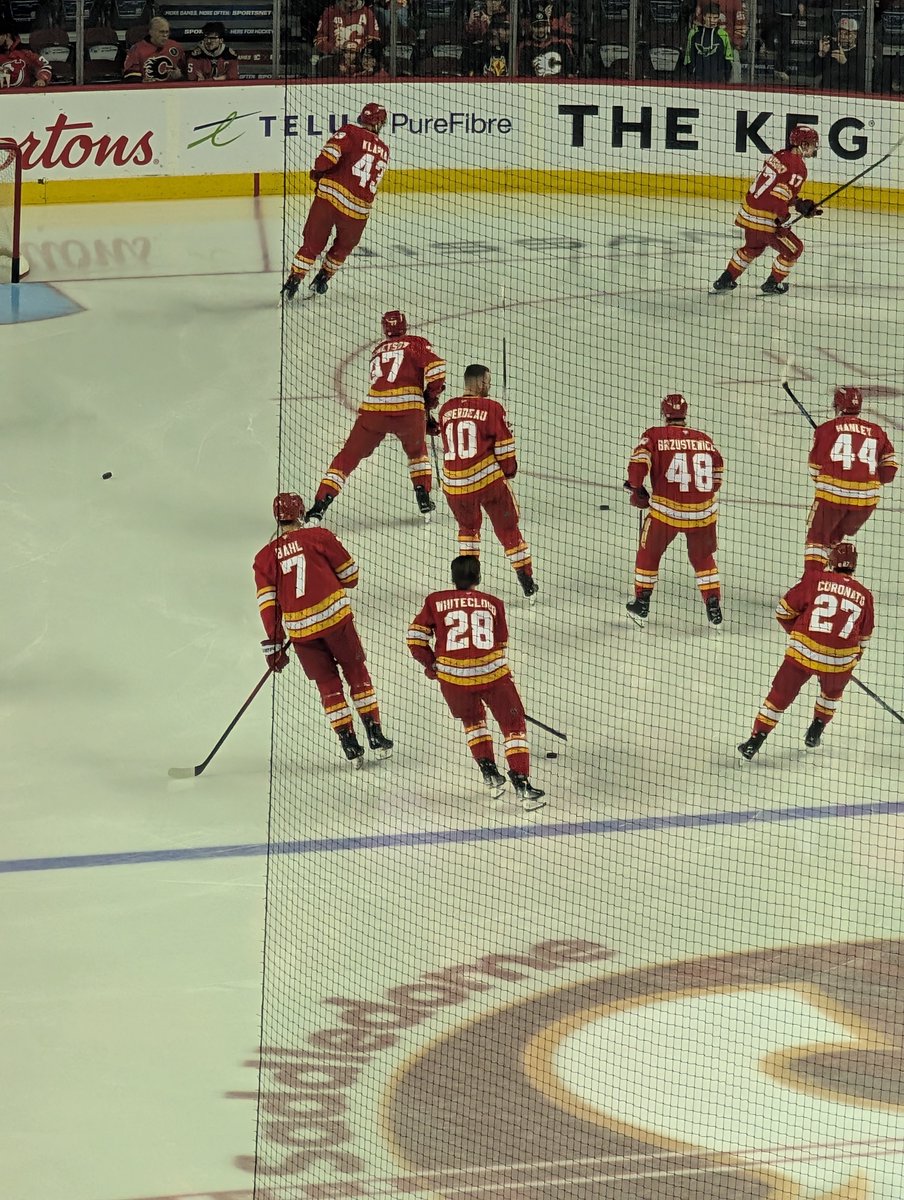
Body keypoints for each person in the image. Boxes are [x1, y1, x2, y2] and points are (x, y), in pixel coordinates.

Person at [253, 492, 393, 766]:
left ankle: (349, 744)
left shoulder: (264, 558)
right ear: (302, 513)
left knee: (327, 684)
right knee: (356, 671)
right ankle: (374, 734)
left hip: (301, 633)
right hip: (336, 621)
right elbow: (351, 577)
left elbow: (269, 606)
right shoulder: (319, 537)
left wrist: (275, 643)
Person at [406, 556, 546, 811]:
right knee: (513, 726)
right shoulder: (494, 603)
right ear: (478, 577)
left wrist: (433, 665)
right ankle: (522, 784)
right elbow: (501, 643)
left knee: (473, 722)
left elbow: (415, 638)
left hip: (453, 681)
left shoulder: (435, 601)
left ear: (452, 577)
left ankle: (490, 775)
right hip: (493, 676)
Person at [304, 310, 446, 525]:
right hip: (408, 410)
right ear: (405, 326)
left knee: (347, 457)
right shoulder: (416, 342)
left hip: (374, 410)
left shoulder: (377, 350)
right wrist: (429, 399)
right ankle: (423, 497)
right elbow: (437, 369)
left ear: (384, 328)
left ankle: (319, 505)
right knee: (417, 453)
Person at [738, 543, 873, 760]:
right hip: (840, 661)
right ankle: (815, 730)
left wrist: (800, 632)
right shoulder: (865, 595)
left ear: (832, 561)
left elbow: (783, 611)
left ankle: (755, 740)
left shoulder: (815, 579)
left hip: (803, 652)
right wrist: (849, 663)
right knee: (831, 694)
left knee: (779, 695)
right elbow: (864, 638)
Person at [437, 364, 538, 601]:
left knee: (468, 530)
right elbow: (505, 448)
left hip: (453, 486)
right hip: (487, 482)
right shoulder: (492, 408)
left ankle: (467, 583)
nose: (489, 386)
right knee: (508, 529)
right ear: (482, 383)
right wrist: (510, 471)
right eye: (488, 382)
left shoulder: (446, 409)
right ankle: (526, 579)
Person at [624, 393, 724, 627]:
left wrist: (637, 489)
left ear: (663, 413)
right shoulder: (705, 439)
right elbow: (717, 475)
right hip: (703, 513)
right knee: (702, 557)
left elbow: (637, 466)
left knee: (648, 552)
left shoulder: (654, 436)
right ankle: (713, 605)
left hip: (666, 513)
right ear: (685, 414)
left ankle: (642, 603)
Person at [281, 102, 389, 301]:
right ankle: (323, 278)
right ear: (379, 124)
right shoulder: (384, 149)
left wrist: (318, 172)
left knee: (312, 244)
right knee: (344, 246)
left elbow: (326, 159)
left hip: (329, 199)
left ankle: (293, 280)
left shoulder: (350, 131)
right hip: (358, 211)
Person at [711, 124, 822, 297]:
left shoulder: (780, 156)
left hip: (749, 212)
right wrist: (784, 220)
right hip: (766, 217)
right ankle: (772, 283)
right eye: (812, 144)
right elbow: (778, 196)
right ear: (803, 144)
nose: (814, 148)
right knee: (794, 249)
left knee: (753, 247)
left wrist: (799, 204)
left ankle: (725, 279)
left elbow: (775, 188)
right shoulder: (799, 168)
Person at [803, 386, 897, 572]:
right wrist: (864, 473)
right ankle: (832, 580)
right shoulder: (877, 431)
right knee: (835, 535)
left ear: (837, 406)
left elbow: (815, 469)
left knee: (817, 539)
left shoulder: (826, 430)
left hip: (832, 497)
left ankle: (812, 583)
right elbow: (889, 473)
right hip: (865, 502)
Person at [123, 16, 185, 82]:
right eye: (161, 32)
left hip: (172, 89)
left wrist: (180, 76)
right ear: (151, 32)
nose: (165, 35)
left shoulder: (176, 47)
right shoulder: (137, 49)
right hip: (146, 90)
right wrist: (142, 81)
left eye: (167, 32)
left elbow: (186, 73)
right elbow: (130, 76)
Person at [684, 3, 733, 82]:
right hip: (697, 78)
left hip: (717, 79)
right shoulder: (694, 33)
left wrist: (725, 78)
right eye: (710, 17)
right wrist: (690, 73)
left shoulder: (723, 34)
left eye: (715, 18)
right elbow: (688, 56)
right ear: (704, 17)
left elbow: (728, 58)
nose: (713, 20)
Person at [517, 10, 574, 76]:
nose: (541, 30)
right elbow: (523, 74)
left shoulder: (561, 44)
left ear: (548, 26)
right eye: (537, 27)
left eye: (543, 26)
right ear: (531, 27)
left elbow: (570, 71)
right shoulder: (525, 47)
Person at [314, 0, 380, 57]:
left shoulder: (368, 13)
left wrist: (359, 51)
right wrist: (332, 49)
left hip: (360, 61)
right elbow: (319, 40)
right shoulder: (329, 13)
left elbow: (374, 40)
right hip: (334, 59)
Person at [815, 16, 864, 90]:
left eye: (847, 34)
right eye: (840, 33)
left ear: (855, 35)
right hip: (826, 94)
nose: (843, 37)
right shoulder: (830, 49)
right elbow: (811, 72)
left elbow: (860, 81)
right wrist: (821, 54)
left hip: (849, 96)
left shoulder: (861, 53)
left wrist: (844, 63)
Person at [0, 20, 51, 86]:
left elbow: (44, 66)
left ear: (7, 35)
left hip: (26, 94)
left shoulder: (26, 51)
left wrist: (42, 79)